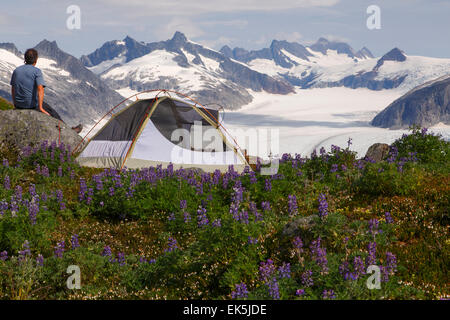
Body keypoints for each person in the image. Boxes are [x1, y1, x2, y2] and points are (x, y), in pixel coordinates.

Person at [10, 48, 82, 133]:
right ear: (36, 60)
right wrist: (40, 108)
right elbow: (40, 89)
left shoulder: (16, 71)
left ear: (25, 59)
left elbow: (13, 88)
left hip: (19, 105)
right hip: (31, 105)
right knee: (51, 110)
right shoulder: (36, 71)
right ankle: (68, 130)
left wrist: (16, 104)